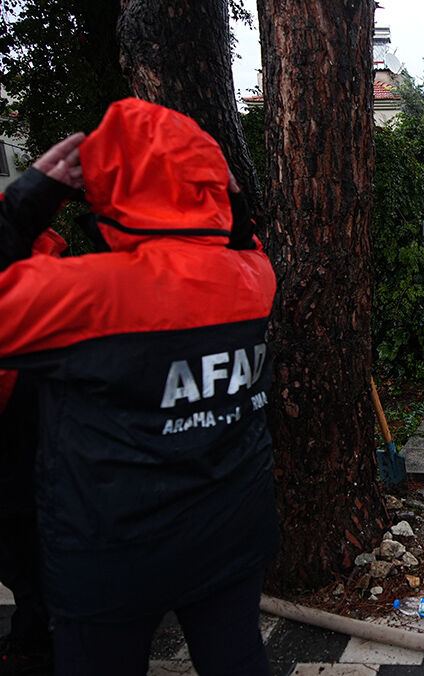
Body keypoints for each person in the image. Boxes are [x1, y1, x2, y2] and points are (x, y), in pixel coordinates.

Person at [0, 98, 278, 676]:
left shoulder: (83, 296)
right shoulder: (255, 279)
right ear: (212, 183)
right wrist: (230, 199)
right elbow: (242, 242)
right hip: (230, 533)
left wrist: (29, 200)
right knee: (237, 658)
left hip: (112, 556)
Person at [0, 133, 85, 674]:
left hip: (45, 435)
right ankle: (38, 639)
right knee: (29, 556)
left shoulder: (47, 251)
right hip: (12, 436)